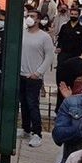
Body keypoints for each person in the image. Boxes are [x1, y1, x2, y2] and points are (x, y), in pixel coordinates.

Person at [21, 10, 55, 148]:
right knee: (23, 103)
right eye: (28, 16)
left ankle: (37, 133)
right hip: (21, 74)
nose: (29, 18)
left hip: (34, 76)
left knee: (32, 104)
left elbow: (49, 56)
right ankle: (26, 130)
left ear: (39, 20)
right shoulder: (22, 33)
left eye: (33, 16)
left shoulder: (44, 37)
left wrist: (38, 72)